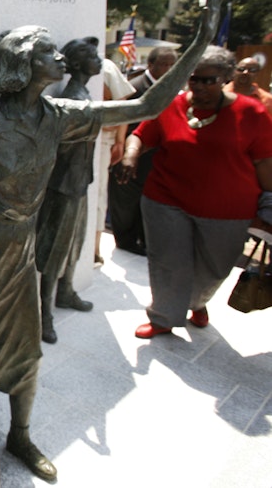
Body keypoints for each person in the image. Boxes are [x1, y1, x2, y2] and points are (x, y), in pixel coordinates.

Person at [0, 0, 219, 482]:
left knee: (26, 352)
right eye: (48, 50)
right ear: (22, 63)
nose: (60, 57)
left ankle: (19, 434)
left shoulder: (59, 116)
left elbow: (144, 108)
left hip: (20, 251)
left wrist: (198, 44)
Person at [116, 46, 272, 338]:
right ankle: (163, 316)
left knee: (215, 267)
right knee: (166, 261)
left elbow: (265, 161)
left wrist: (270, 203)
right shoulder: (172, 104)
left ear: (225, 77)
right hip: (165, 200)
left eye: (207, 80)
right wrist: (130, 155)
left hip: (228, 210)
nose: (198, 86)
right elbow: (142, 135)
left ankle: (196, 302)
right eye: (193, 78)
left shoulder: (252, 113)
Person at [35, 37, 101, 345]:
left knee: (76, 242)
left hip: (79, 181)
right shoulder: (73, 99)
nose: (99, 59)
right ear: (76, 64)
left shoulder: (83, 93)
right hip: (63, 186)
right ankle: (45, 312)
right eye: (92, 56)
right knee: (55, 249)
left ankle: (66, 290)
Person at [107, 47, 178, 255]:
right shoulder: (135, 88)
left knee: (149, 203)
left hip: (158, 160)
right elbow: (124, 122)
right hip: (133, 155)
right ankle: (126, 241)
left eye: (171, 65)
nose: (168, 69)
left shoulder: (173, 90)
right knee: (125, 203)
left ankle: (145, 240)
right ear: (150, 64)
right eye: (163, 64)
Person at [94, 57, 135, 264]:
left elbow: (121, 105)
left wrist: (119, 140)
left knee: (98, 194)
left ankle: (94, 246)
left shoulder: (106, 66)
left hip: (102, 140)